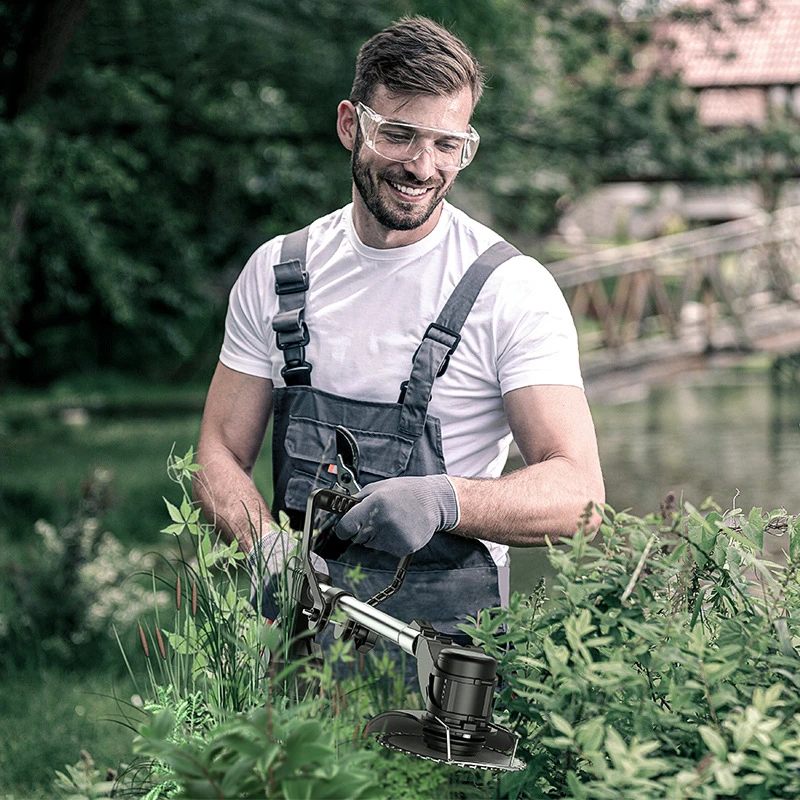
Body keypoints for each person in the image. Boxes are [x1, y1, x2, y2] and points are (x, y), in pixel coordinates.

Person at [194, 16, 605, 650]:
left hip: (448, 662)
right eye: (400, 135)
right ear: (349, 124)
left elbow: (581, 497)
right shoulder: (277, 273)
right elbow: (218, 451)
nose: (422, 166)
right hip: (298, 646)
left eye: (448, 144)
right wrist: (264, 544)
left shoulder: (510, 290)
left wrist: (449, 500)